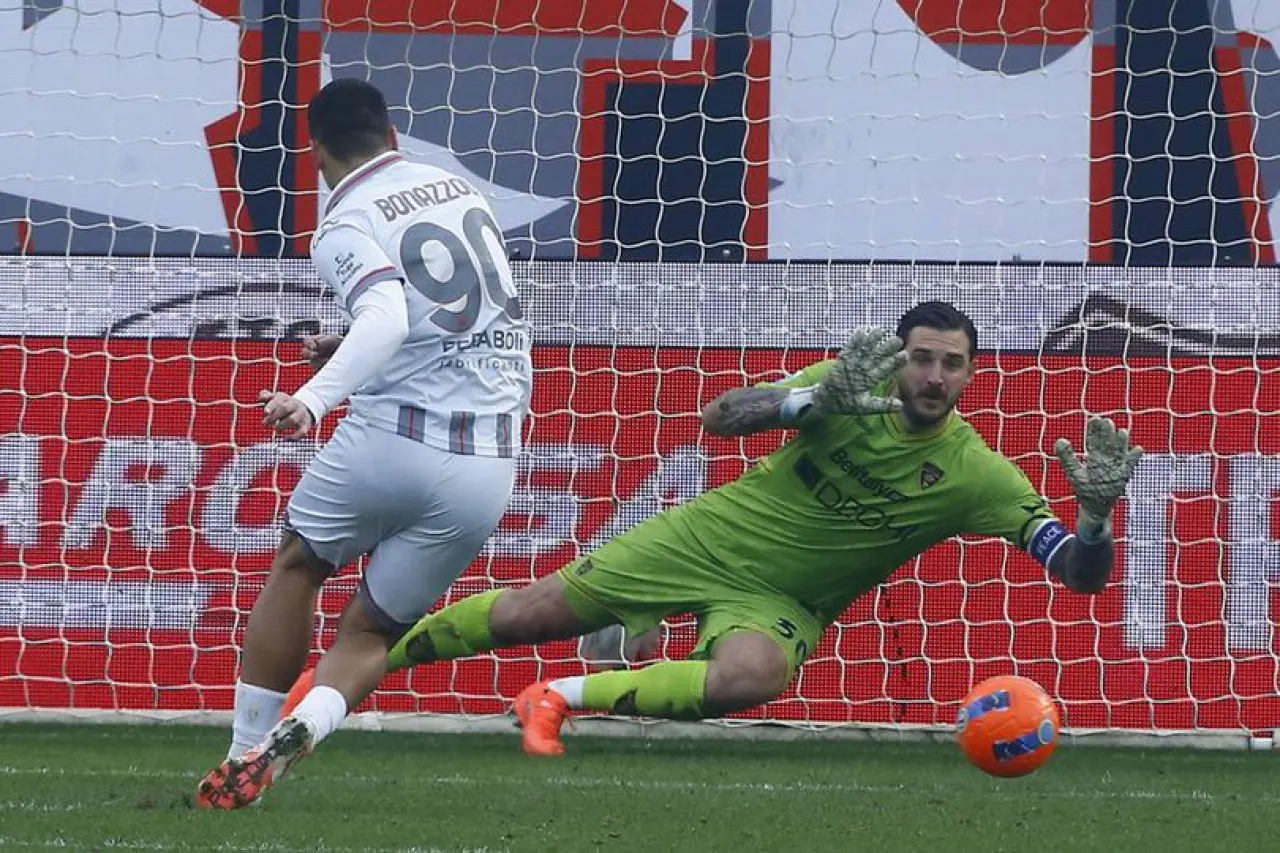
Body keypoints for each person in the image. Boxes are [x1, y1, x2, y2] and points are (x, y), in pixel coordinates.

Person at [303, 300, 1143, 757]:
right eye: (921, 356)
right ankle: (339, 679)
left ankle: (559, 696)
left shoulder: (978, 475)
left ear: (969, 374)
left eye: (950, 363)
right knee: (529, 614)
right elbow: (721, 416)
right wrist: (809, 401)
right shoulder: (847, 388)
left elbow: (1078, 571)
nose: (932, 374)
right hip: (704, 538)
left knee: (750, 677)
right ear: (899, 356)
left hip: (782, 600)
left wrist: (1095, 516)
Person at [195, 78, 532, 808]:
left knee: (299, 565)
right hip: (489, 463)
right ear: (394, 135)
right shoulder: (459, 190)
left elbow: (385, 312)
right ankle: (308, 724)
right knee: (372, 630)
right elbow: (445, 318)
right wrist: (346, 345)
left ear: (315, 153)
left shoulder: (346, 220)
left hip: (395, 436)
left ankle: (245, 745)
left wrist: (312, 397)